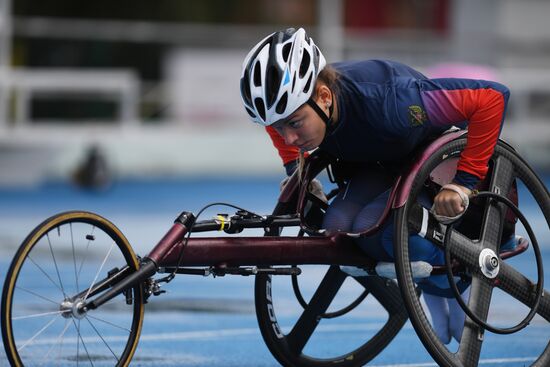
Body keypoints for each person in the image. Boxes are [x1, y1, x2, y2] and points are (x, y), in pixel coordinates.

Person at [239, 28, 516, 344]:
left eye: (295, 123)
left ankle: (453, 282)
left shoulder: (394, 102)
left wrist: (463, 183)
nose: (288, 137)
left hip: (434, 169)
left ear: (324, 97)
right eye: (278, 126)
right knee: (338, 227)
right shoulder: (300, 107)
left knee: (383, 231)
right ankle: (428, 282)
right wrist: (297, 171)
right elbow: (278, 124)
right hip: (382, 164)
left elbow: (492, 98)